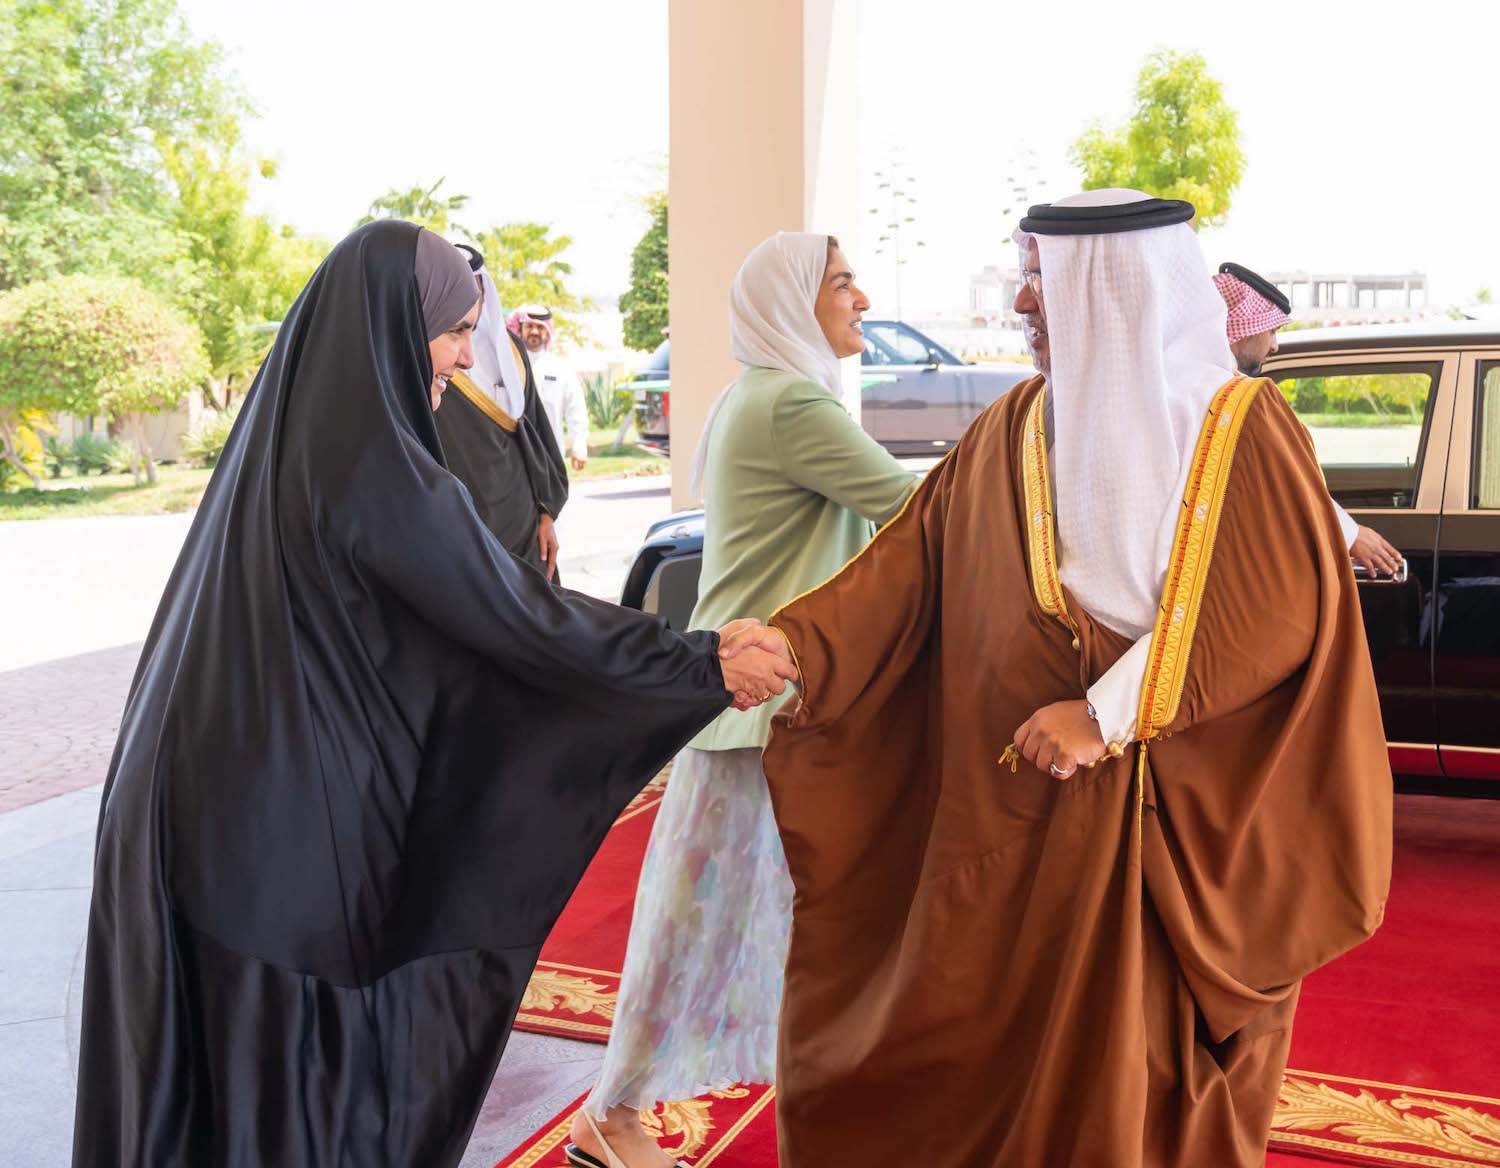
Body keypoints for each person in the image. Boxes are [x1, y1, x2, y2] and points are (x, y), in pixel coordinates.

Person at [70, 219, 797, 1168]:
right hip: (271, 852)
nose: (463, 356)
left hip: (199, 822)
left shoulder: (297, 439)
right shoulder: (376, 467)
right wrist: (696, 665)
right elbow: (512, 618)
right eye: (453, 331)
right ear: (391, 326)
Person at [726, 190, 1393, 1167]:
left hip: (1167, 813)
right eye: (1025, 277)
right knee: (971, 1038)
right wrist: (801, 645)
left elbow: (1274, 609)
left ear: (1111, 286)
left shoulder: (1239, 423)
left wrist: (1105, 713)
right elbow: (908, 563)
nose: (1021, 303)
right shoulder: (1018, 420)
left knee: (1142, 1076)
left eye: (1040, 278)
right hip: (1012, 807)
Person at [566, 233, 919, 1168]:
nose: (862, 299)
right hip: (756, 710)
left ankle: (800, 1088)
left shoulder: (756, 394)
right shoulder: (792, 402)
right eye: (841, 282)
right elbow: (912, 508)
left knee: (755, 918)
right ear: (794, 302)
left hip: (752, 708)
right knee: (699, 925)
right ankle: (611, 1116)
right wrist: (1026, 476)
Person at [1215, 260, 1403, 576]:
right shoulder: (1232, 397)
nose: (1274, 345)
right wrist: (1350, 535)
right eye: (1271, 330)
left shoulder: (1195, 385)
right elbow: (1283, 476)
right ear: (1242, 328)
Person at [433, 256, 568, 580]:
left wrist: (546, 511)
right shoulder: (431, 353)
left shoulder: (512, 350)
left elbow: (534, 429)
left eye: (473, 289)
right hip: (465, 518)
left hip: (523, 517)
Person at [509, 303, 591, 473]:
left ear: (548, 332)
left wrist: (579, 446)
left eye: (540, 327)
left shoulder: (560, 368)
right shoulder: (507, 365)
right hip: (513, 455)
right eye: (529, 326)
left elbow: (576, 410)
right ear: (520, 329)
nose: (534, 331)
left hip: (550, 455)